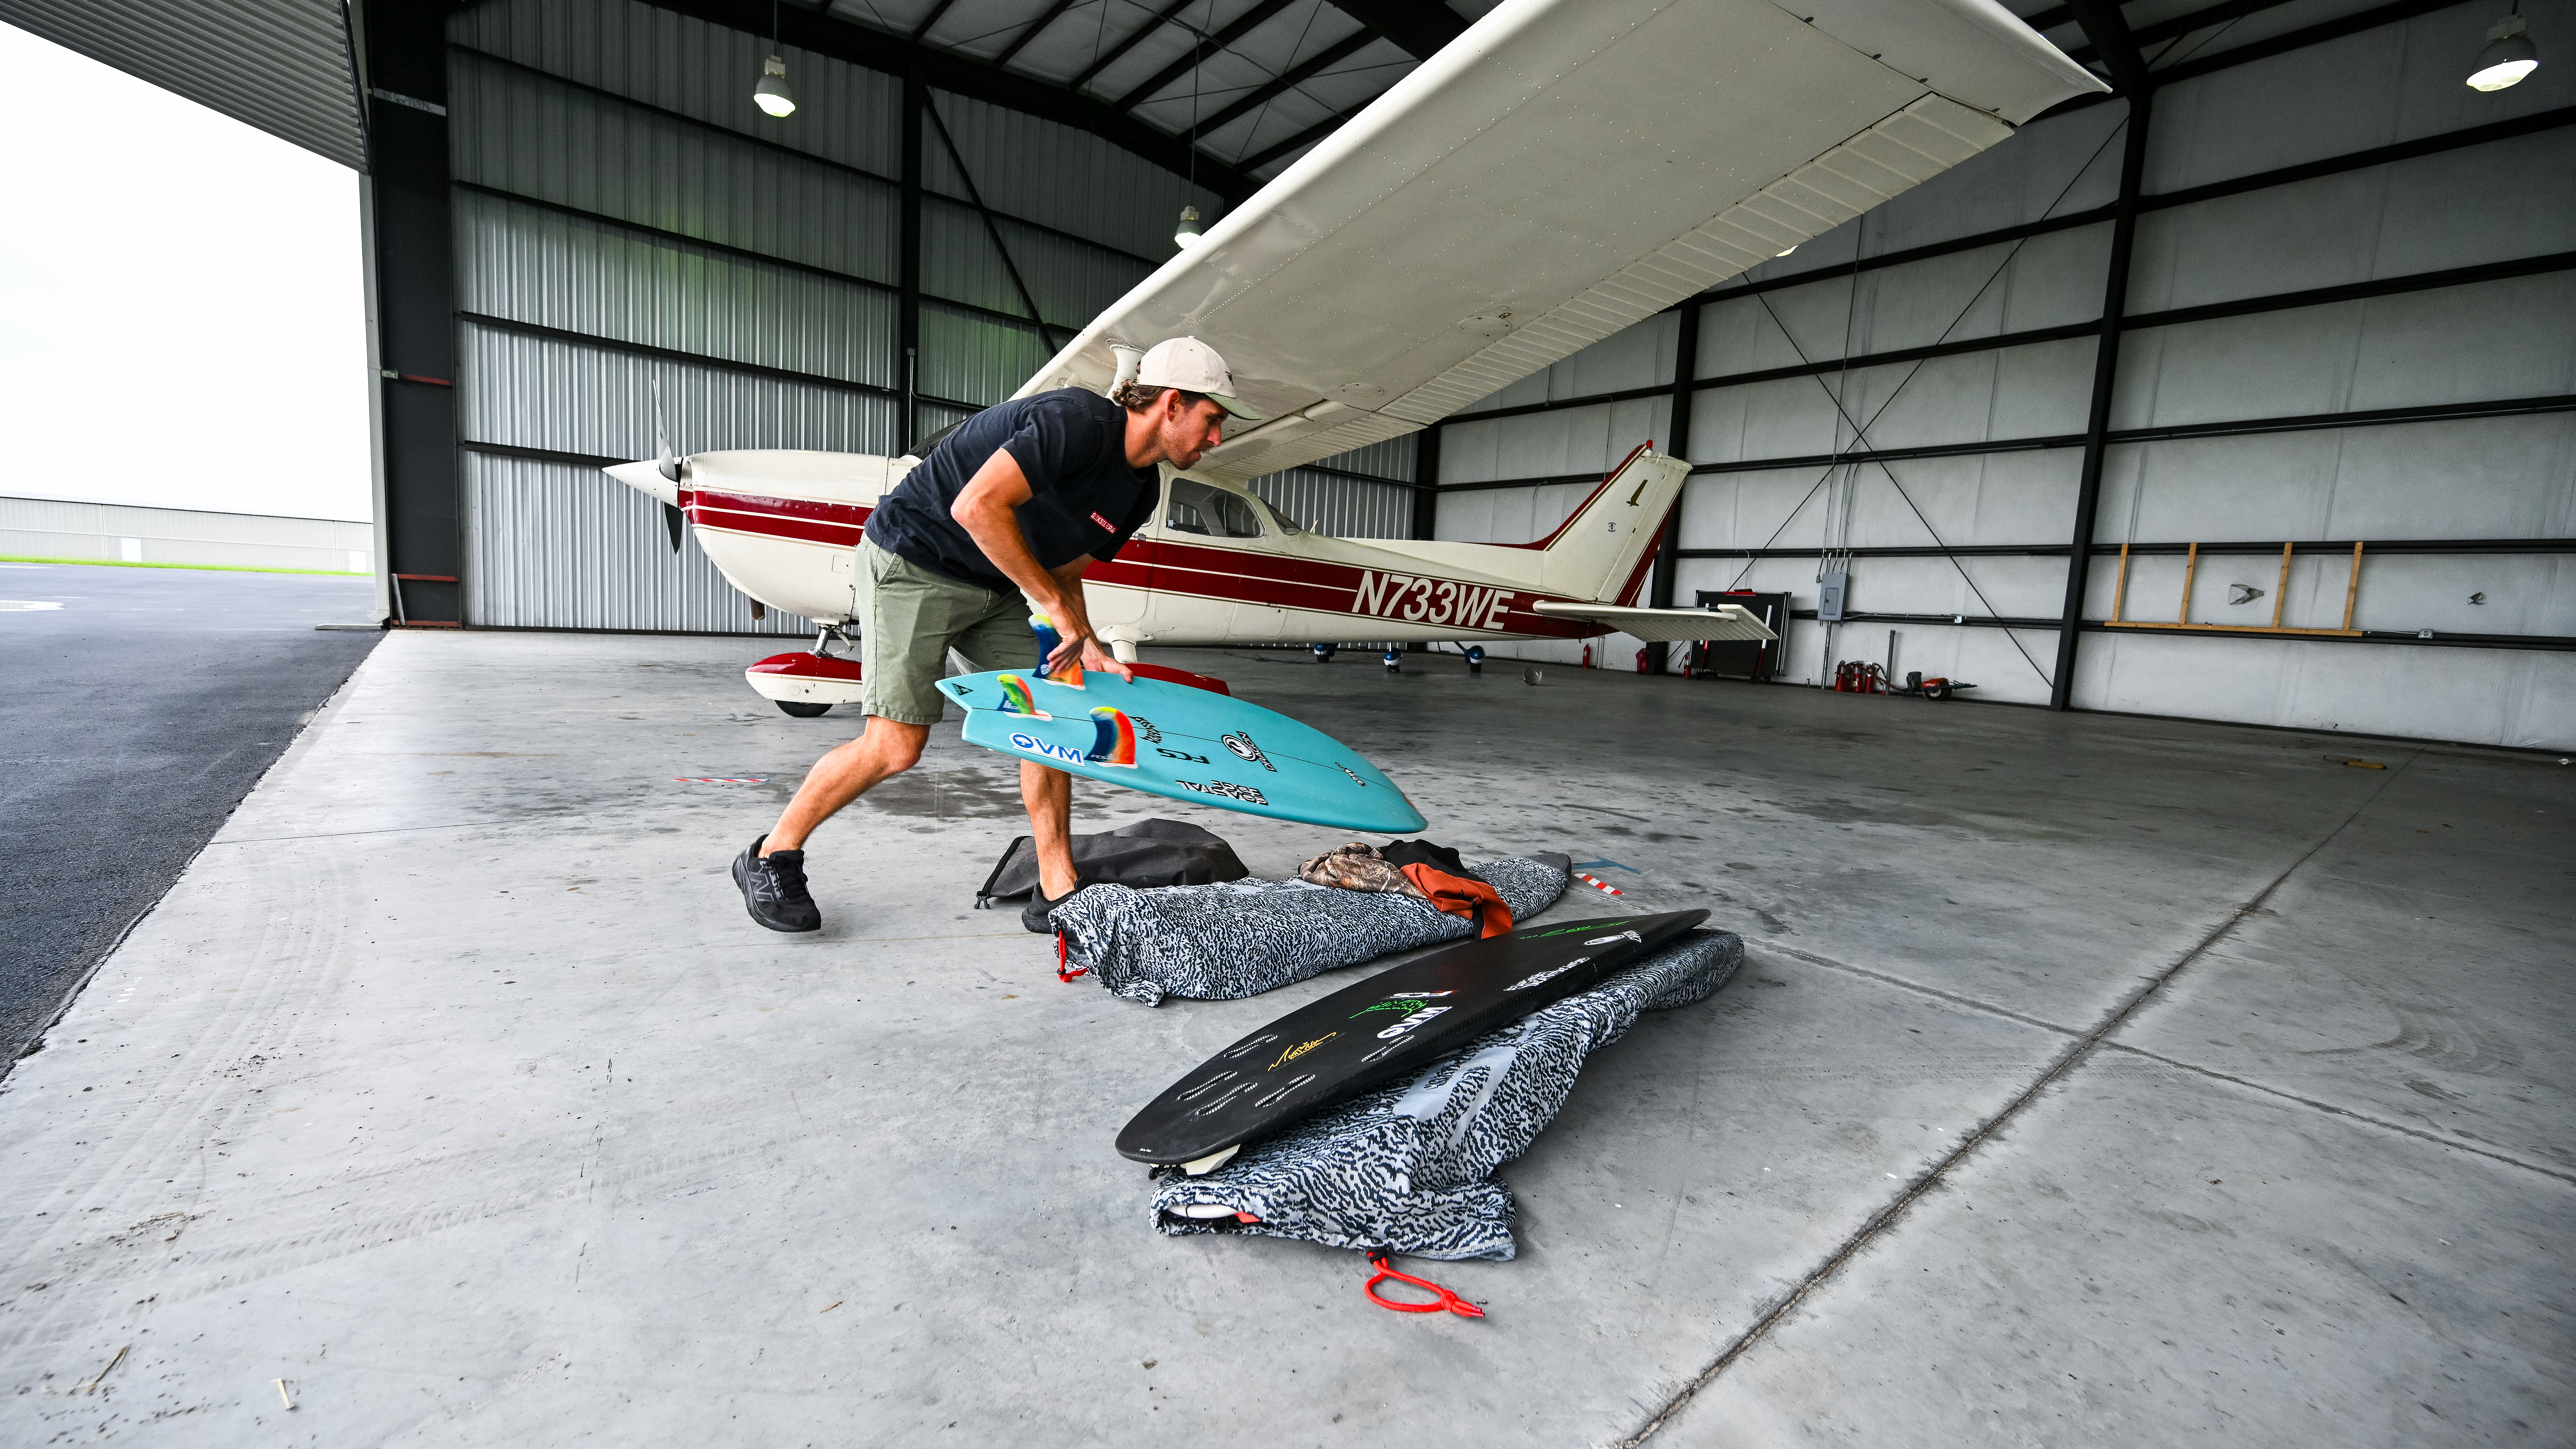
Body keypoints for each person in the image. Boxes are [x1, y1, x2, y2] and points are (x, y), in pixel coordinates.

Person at [732, 337, 1260, 935]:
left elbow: (1065, 572)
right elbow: (977, 508)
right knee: (896, 747)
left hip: (999, 583)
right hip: (914, 562)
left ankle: (1057, 887)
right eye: (1212, 419)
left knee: (1050, 722)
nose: (1217, 438)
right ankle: (771, 855)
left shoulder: (1140, 489)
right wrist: (1053, 609)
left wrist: (1087, 642)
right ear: (1172, 404)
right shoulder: (1075, 422)